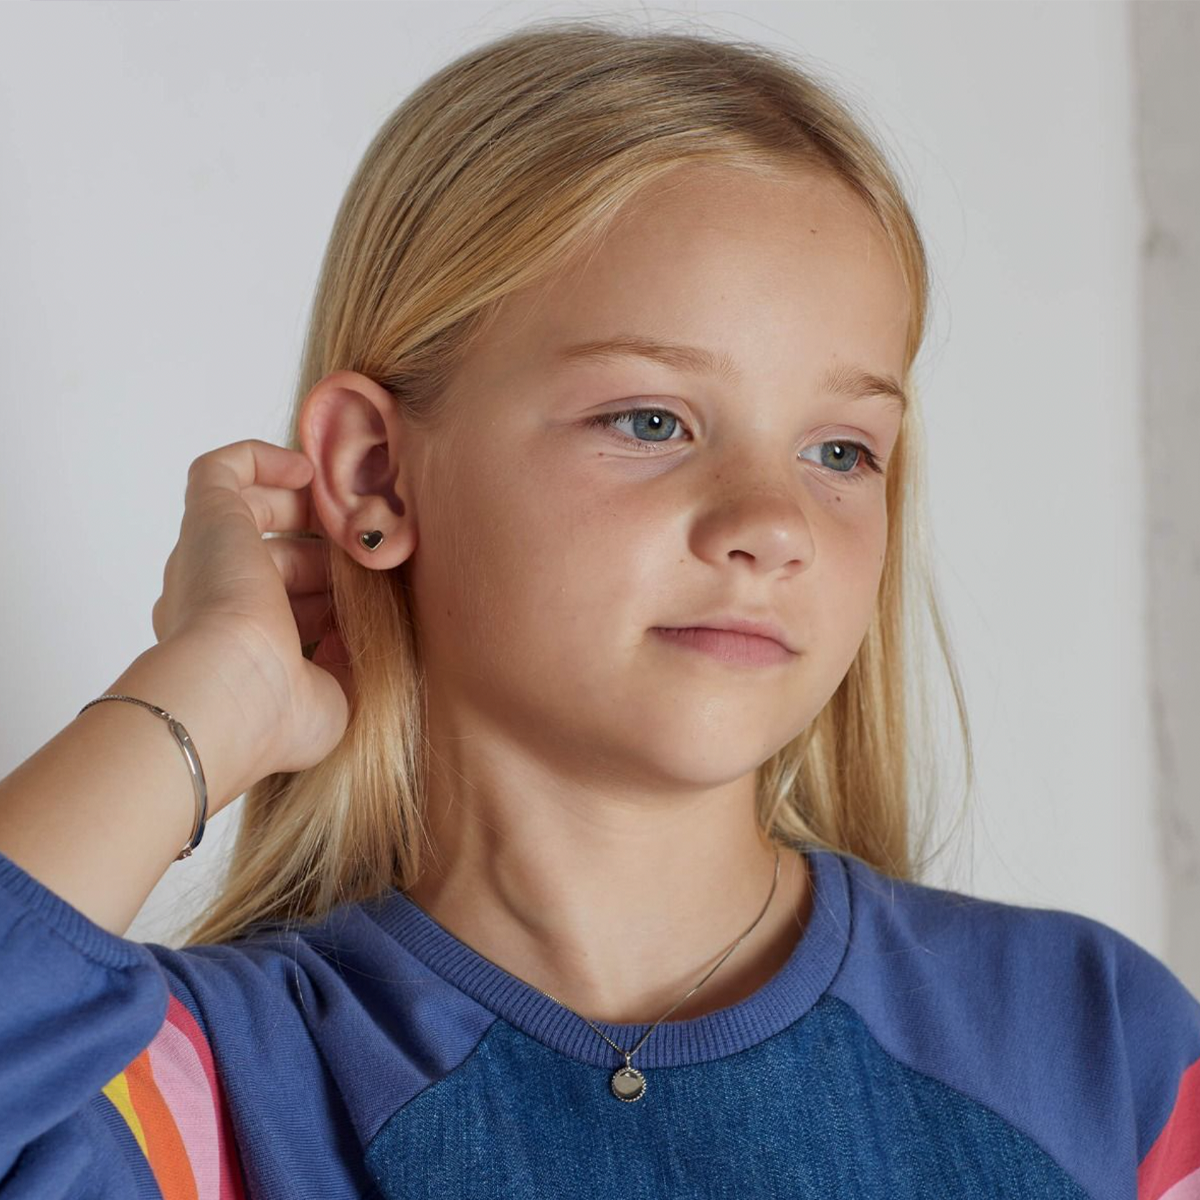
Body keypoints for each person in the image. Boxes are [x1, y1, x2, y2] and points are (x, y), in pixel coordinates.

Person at [0, 17, 1196, 1200]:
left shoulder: (1102, 1051)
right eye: (651, 421)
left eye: (838, 450)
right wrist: (212, 696)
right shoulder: (203, 1094)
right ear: (374, 472)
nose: (771, 524)